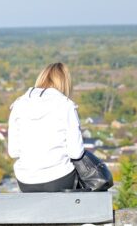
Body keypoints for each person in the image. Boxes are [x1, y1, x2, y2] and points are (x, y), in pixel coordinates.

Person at [8, 62, 84, 192]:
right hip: (59, 177)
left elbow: (13, 151)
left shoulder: (19, 104)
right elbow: (75, 153)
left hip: (26, 179)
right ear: (65, 82)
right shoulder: (66, 105)